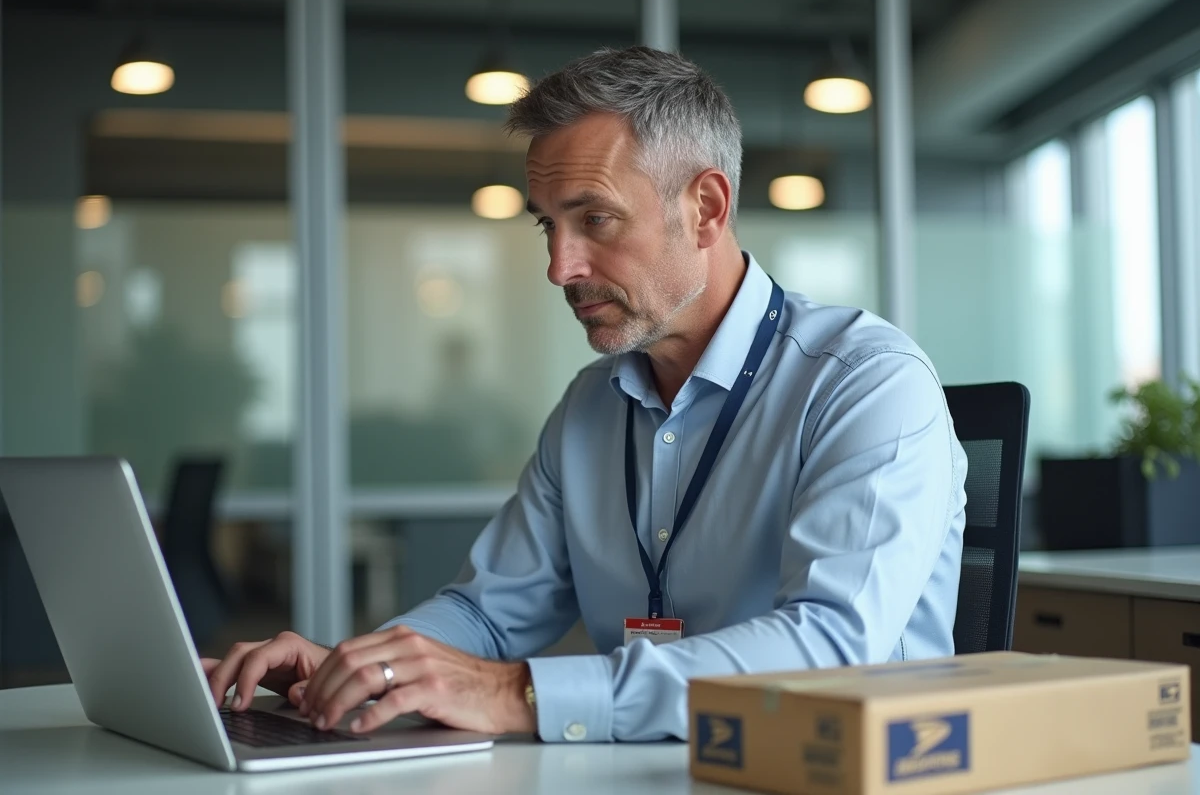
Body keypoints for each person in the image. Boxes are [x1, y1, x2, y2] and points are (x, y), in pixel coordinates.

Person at [203, 46, 967, 744]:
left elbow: (829, 649)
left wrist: (520, 696)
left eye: (595, 220)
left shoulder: (866, 384)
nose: (561, 267)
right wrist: (368, 669)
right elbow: (489, 610)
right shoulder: (591, 408)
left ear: (705, 208)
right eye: (549, 227)